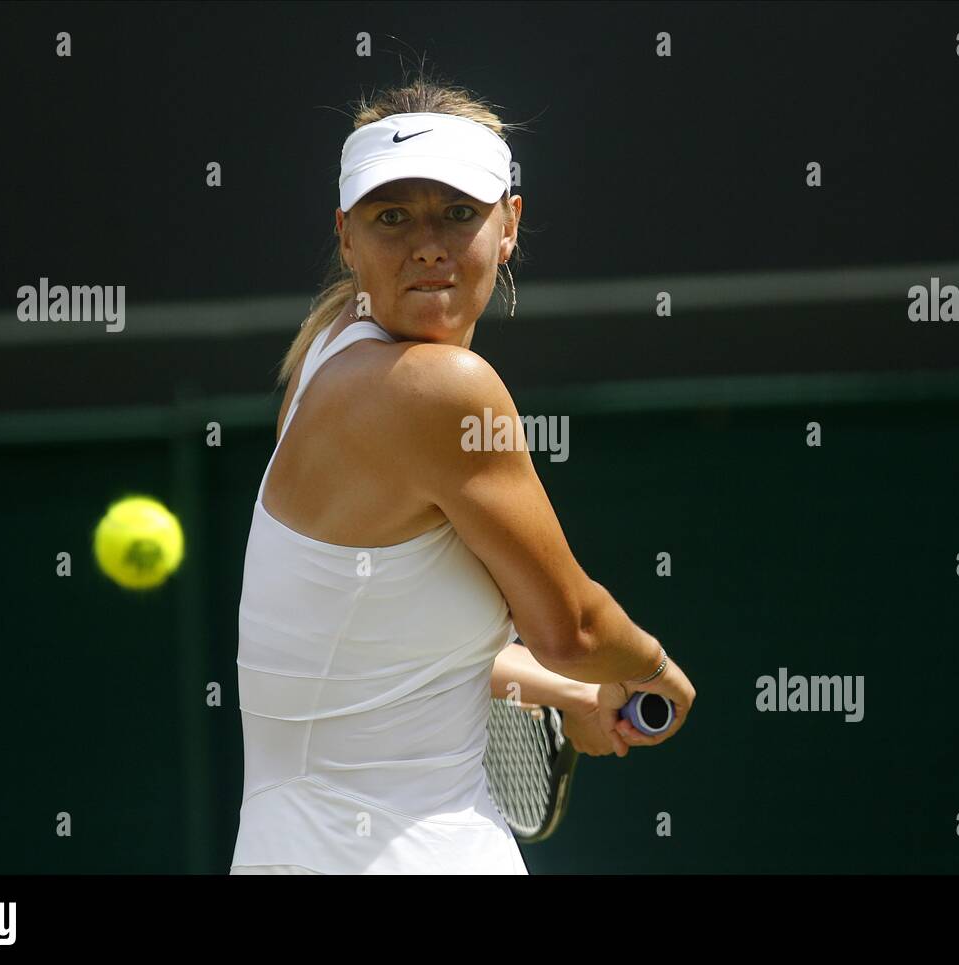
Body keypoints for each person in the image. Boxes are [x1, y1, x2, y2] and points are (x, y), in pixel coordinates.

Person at [230, 76, 696, 875]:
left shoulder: (322, 360)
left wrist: (567, 693)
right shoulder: (441, 388)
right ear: (346, 236)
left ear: (508, 222)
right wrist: (650, 669)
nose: (427, 244)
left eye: (456, 212)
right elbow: (573, 630)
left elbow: (388, 666)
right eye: (392, 217)